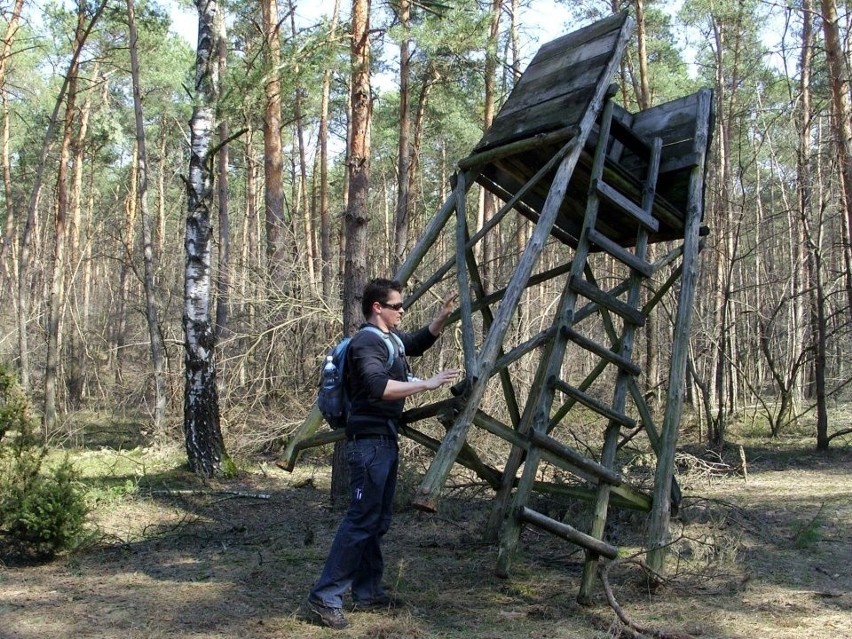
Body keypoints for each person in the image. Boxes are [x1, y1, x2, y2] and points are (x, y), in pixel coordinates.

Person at [306, 278, 460, 629]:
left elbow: (417, 344)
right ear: (378, 307)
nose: (402, 311)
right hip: (368, 443)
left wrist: (440, 318)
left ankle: (367, 590)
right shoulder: (365, 342)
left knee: (377, 520)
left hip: (383, 440)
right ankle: (324, 596)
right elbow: (378, 386)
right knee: (361, 519)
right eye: (397, 306)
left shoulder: (389, 339)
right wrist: (426, 383)